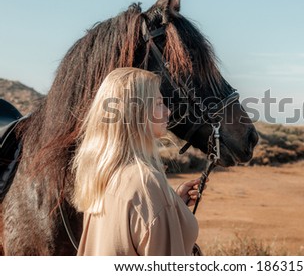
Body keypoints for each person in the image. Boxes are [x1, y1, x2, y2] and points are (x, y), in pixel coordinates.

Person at [71, 67, 205, 255]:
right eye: (159, 103)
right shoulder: (146, 183)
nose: (168, 112)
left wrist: (173, 207)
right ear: (136, 113)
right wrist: (159, 201)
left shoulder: (104, 173)